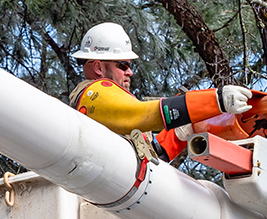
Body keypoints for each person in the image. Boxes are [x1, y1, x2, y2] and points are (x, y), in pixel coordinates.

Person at [68, 22, 253, 160]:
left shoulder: (109, 105)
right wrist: (216, 100)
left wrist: (181, 130)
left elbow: (150, 158)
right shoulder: (93, 95)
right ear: (99, 68)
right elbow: (139, 114)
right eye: (122, 65)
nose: (129, 72)